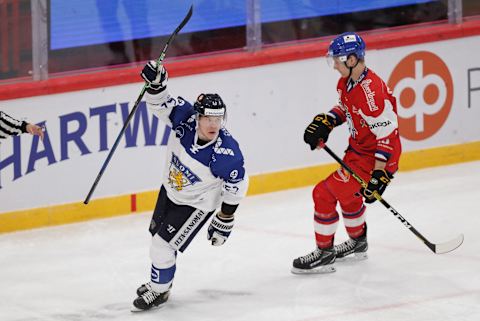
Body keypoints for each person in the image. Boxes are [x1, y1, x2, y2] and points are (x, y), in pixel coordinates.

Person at [132, 61, 249, 311]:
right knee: (158, 238)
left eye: (218, 119)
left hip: (196, 204)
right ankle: (161, 280)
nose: (213, 125)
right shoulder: (184, 119)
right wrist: (157, 83)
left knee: (162, 244)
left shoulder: (226, 153)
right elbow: (160, 104)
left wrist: (225, 217)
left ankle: (159, 290)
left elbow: (238, 182)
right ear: (198, 116)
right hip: (171, 191)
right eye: (208, 118)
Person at [292, 32, 402, 274]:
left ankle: (324, 253)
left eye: (337, 61)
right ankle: (358, 242)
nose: (334, 67)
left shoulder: (371, 93)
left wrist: (379, 174)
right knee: (350, 195)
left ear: (351, 60)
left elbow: (387, 136)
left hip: (374, 158)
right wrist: (327, 122)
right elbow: (346, 107)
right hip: (358, 152)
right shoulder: (347, 82)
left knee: (323, 193)